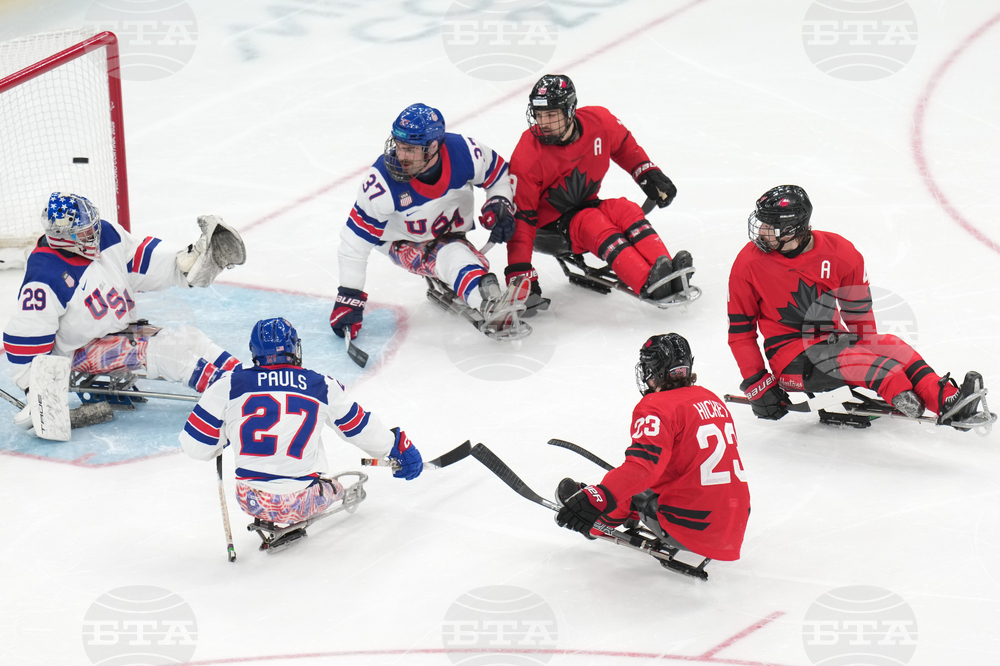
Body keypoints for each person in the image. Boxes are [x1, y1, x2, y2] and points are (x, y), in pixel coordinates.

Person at [728, 184, 987, 426]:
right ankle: (896, 388)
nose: (760, 232)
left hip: (833, 342)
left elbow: (859, 315)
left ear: (792, 229)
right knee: (871, 365)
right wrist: (757, 383)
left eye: (769, 226)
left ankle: (947, 400)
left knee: (892, 345)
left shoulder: (840, 252)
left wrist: (875, 350)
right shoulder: (747, 263)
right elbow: (741, 333)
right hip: (789, 358)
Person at [3, 192, 246, 433]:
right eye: (85, 232)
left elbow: (138, 260)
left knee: (191, 338)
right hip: (78, 350)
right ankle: (230, 396)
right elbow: (27, 333)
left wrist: (184, 262)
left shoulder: (106, 235)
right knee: (166, 353)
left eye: (93, 226)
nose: (94, 234)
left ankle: (247, 380)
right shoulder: (45, 275)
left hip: (116, 331)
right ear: (63, 237)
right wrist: (34, 389)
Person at [180, 318, 422, 529]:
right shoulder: (322, 385)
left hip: (251, 501)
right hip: (301, 503)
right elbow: (359, 428)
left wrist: (223, 437)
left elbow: (195, 448)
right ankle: (331, 489)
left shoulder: (228, 384)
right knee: (333, 484)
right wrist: (396, 445)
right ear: (294, 348)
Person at [331, 103, 529, 341]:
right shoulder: (380, 182)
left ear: (434, 146)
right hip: (400, 241)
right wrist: (348, 297)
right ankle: (487, 301)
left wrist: (499, 204)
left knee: (454, 253)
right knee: (452, 255)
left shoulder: (465, 151)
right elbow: (354, 244)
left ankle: (481, 289)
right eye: (399, 146)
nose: (401, 156)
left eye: (410, 149)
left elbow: (499, 175)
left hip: (449, 232)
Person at [555, 334, 750, 564]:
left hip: (694, 527)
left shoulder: (656, 406)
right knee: (643, 479)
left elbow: (642, 470)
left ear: (654, 371)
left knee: (632, 487)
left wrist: (599, 497)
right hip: (735, 521)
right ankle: (628, 511)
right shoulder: (712, 399)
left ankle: (597, 522)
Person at [505, 74, 693, 304]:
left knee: (625, 209)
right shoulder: (528, 154)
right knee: (592, 221)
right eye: (539, 114)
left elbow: (624, 146)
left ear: (570, 111)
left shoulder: (599, 122)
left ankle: (667, 272)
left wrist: (647, 174)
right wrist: (520, 271)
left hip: (585, 204)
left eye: (551, 115)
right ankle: (648, 282)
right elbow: (522, 218)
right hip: (547, 230)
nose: (543, 123)